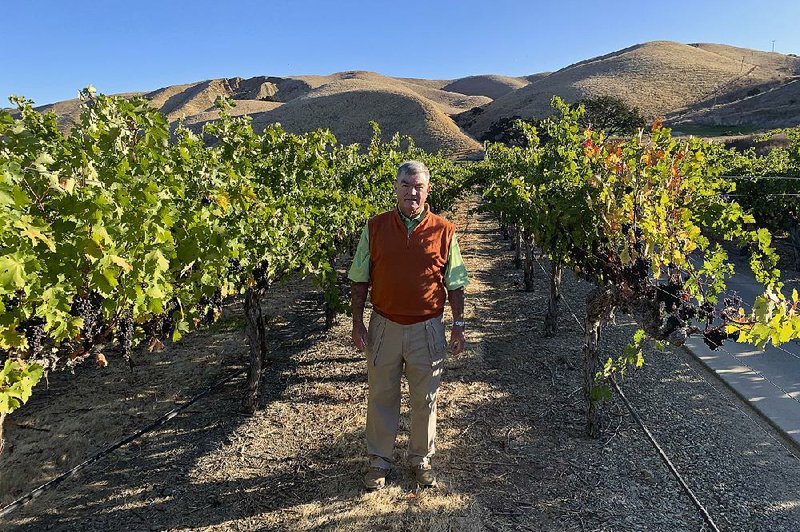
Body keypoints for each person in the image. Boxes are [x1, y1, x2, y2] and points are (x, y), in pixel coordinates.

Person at [348, 160, 469, 490]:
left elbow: (455, 283)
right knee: (381, 395)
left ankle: (420, 458)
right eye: (406, 185)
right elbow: (360, 279)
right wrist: (358, 323)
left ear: (428, 190)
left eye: (418, 186)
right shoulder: (375, 227)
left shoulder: (444, 230)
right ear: (396, 188)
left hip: (427, 328)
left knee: (425, 398)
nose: (411, 192)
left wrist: (458, 325)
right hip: (384, 325)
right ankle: (378, 461)